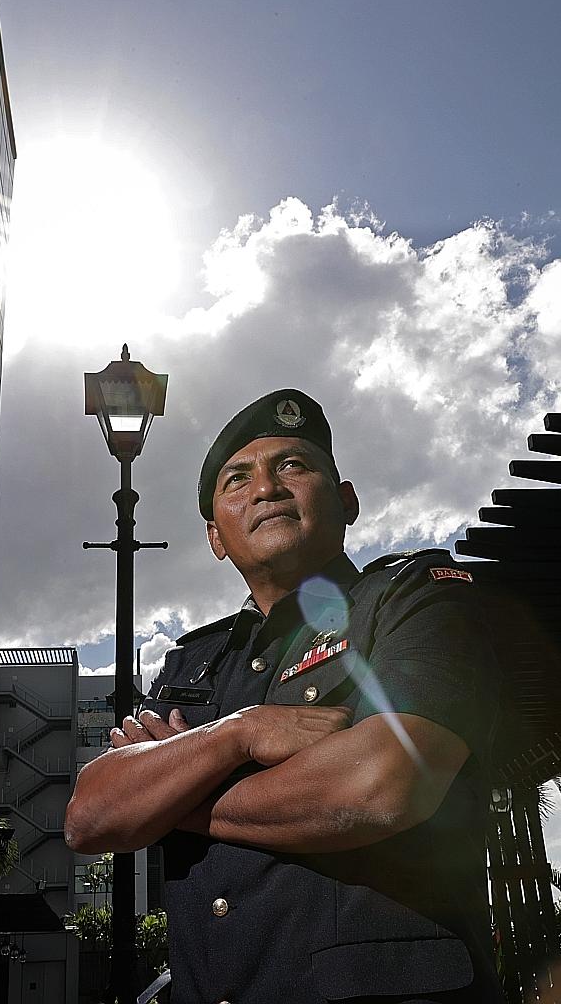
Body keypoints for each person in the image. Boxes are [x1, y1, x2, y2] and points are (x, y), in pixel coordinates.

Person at [65, 388, 503, 1003]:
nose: (266, 488)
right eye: (238, 479)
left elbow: (381, 784)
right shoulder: (196, 660)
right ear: (217, 537)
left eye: (293, 466)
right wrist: (237, 732)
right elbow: (90, 815)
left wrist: (174, 795)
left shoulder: (415, 598)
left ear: (347, 501)